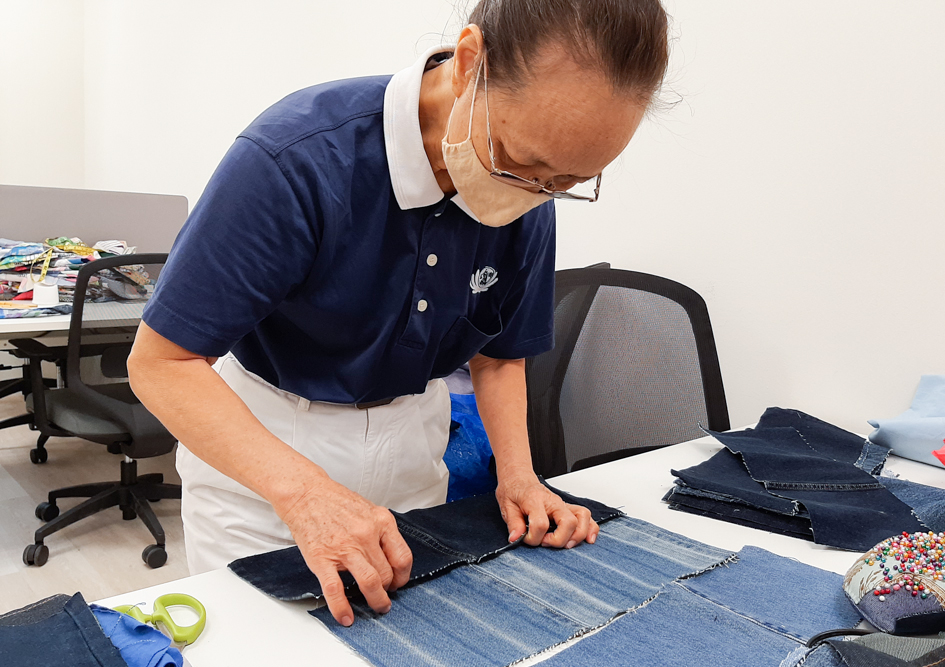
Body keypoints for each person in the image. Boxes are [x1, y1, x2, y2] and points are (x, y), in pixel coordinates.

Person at [128, 0, 670, 627]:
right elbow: (162, 364)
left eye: (569, 180)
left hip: (414, 450)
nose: (535, 192)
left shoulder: (530, 198)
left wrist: (519, 475)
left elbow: (498, 357)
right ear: (469, 63)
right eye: (519, 159)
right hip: (269, 455)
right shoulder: (297, 159)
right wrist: (305, 495)